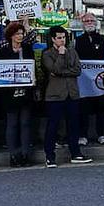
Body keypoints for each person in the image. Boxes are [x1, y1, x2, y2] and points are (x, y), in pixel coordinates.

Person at [42, 26, 92, 168]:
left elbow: (77, 70)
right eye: (59, 38)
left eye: (63, 37)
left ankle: (75, 153)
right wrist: (61, 55)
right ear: (52, 39)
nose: (62, 40)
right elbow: (54, 69)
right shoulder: (47, 54)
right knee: (53, 126)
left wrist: (62, 71)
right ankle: (50, 156)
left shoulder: (72, 51)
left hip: (72, 93)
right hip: (55, 95)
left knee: (73, 125)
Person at [0, 22, 36, 167]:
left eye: (21, 33)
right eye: (17, 34)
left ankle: (25, 154)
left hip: (26, 93)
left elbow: (32, 67)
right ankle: (13, 155)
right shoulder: (4, 51)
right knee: (12, 124)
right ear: (11, 35)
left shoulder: (27, 49)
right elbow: (0, 71)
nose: (20, 36)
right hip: (9, 94)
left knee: (25, 123)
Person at [75, 13, 104, 145]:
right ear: (83, 24)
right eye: (86, 21)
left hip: (100, 80)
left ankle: (102, 134)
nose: (89, 22)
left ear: (96, 23)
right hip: (83, 81)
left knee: (101, 108)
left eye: (91, 20)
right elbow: (75, 60)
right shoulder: (77, 41)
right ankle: (82, 135)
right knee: (83, 108)